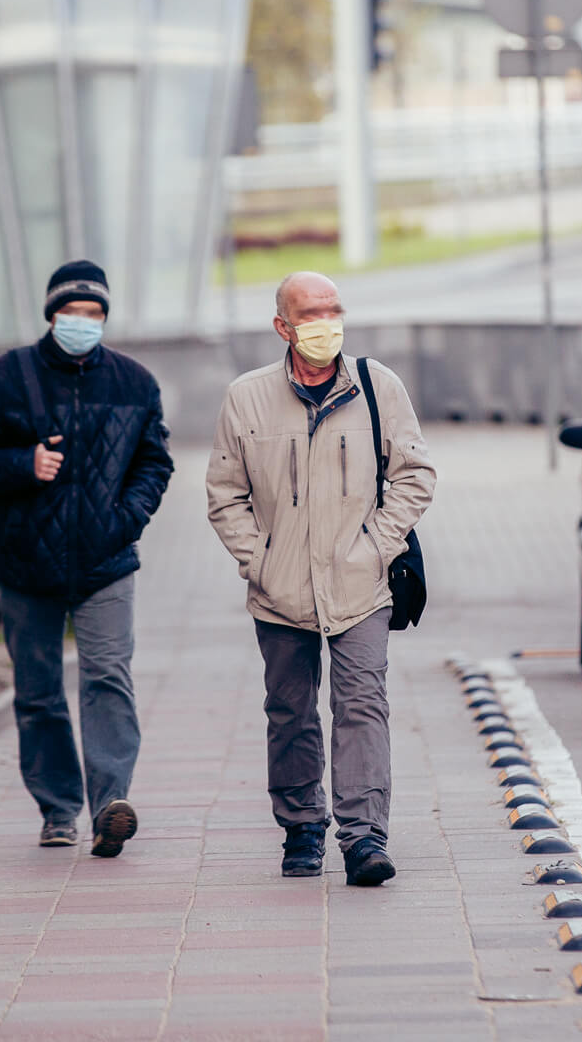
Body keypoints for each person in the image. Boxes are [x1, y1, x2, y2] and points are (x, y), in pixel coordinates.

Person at [205, 271, 436, 886]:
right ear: (282, 326)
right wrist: (259, 560)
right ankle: (302, 827)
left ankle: (364, 838)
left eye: (333, 310)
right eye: (310, 314)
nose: (325, 324)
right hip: (278, 593)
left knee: (361, 704)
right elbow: (225, 495)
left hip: (361, 586)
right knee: (290, 711)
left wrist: (375, 546)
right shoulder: (246, 398)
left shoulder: (377, 386)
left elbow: (415, 474)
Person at [0, 259, 172, 858]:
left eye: (95, 314)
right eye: (73, 313)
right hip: (27, 563)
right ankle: (56, 808)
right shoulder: (1, 377)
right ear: (51, 315)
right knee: (39, 691)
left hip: (107, 562)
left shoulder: (133, 383)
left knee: (107, 678)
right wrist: (23, 465)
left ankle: (109, 806)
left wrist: (125, 519)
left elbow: (155, 463)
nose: (83, 323)